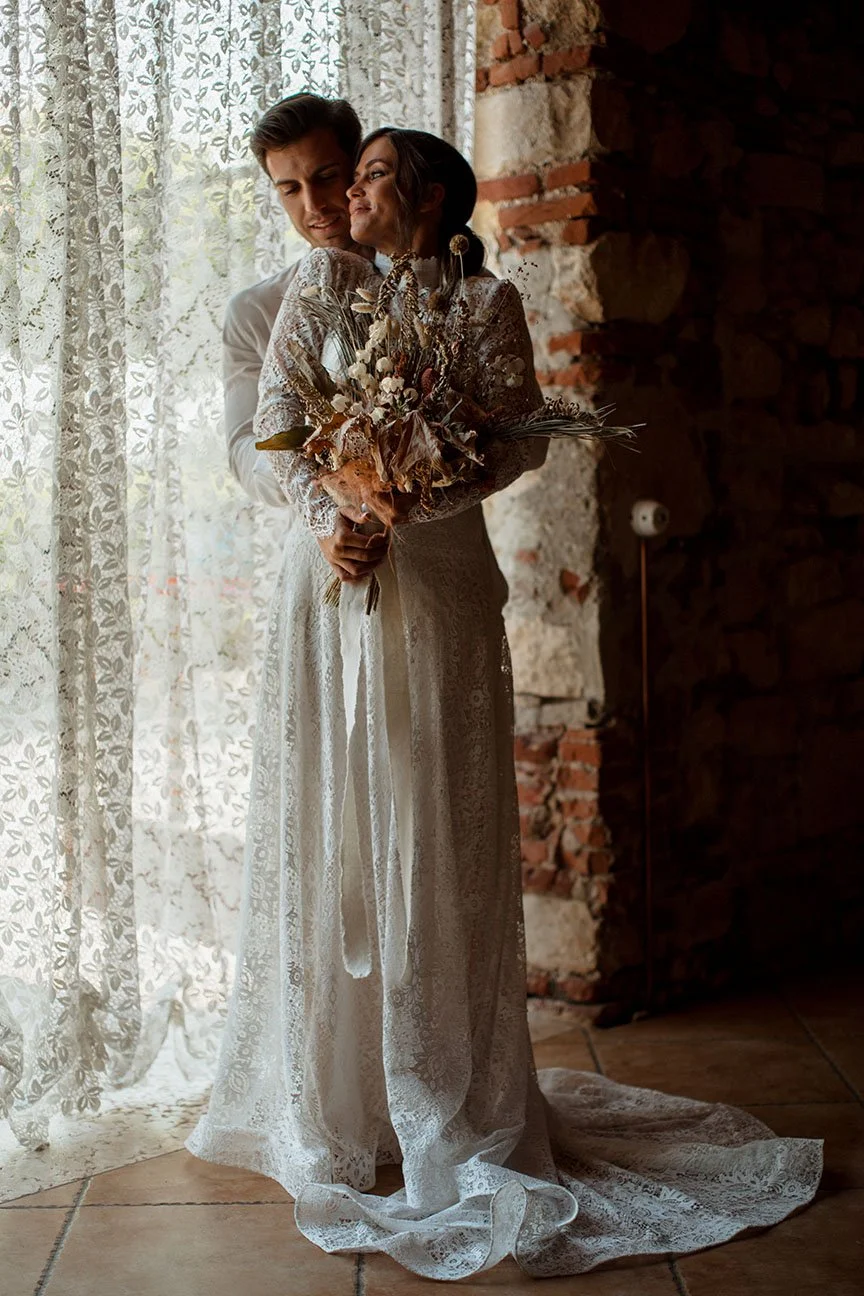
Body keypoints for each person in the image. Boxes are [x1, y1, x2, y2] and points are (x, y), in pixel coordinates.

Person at [188, 129, 822, 1279]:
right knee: (338, 827)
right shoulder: (307, 291)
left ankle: (443, 1095)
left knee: (434, 823)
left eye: (351, 174)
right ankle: (335, 1097)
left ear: (412, 191)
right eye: (301, 188)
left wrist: (407, 498)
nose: (328, 202)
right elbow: (271, 426)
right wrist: (337, 505)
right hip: (332, 577)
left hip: (435, 578)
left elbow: (513, 441)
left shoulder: (484, 301)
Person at [225, 90, 387, 585]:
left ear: (357, 170)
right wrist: (321, 499)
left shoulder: (442, 282)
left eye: (324, 178)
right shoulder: (254, 311)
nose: (313, 205)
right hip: (326, 564)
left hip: (441, 561)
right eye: (289, 188)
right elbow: (241, 450)